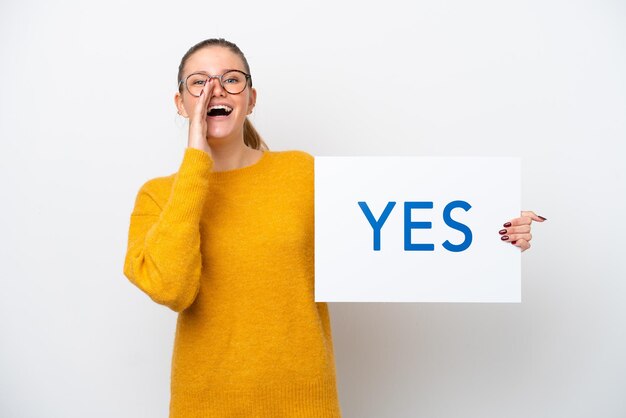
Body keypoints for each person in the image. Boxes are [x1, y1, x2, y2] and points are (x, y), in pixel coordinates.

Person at [122, 38, 546, 418]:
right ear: (180, 103)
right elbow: (172, 288)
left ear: (251, 98)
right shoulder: (159, 197)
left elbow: (392, 234)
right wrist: (196, 162)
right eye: (199, 83)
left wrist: (493, 233)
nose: (215, 91)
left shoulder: (301, 174)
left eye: (231, 80)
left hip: (304, 404)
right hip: (204, 407)